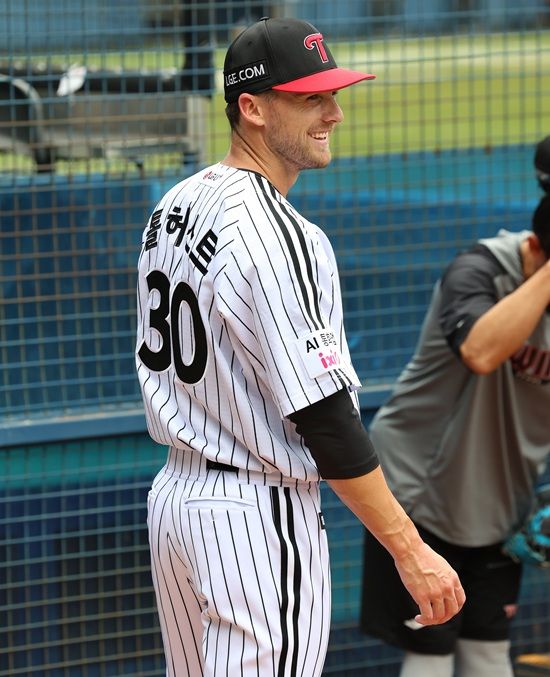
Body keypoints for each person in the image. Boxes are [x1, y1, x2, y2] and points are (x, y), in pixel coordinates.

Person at [135, 17, 465, 676]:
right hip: (256, 517)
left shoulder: (176, 203)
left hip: (178, 503)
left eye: (333, 95)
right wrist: (410, 550)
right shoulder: (285, 237)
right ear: (252, 109)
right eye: (311, 98)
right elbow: (326, 419)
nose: (334, 113)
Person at [360, 194, 550, 677]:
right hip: (419, 493)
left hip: (502, 501)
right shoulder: (477, 270)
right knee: (431, 651)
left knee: (488, 651)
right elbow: (480, 351)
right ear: (536, 249)